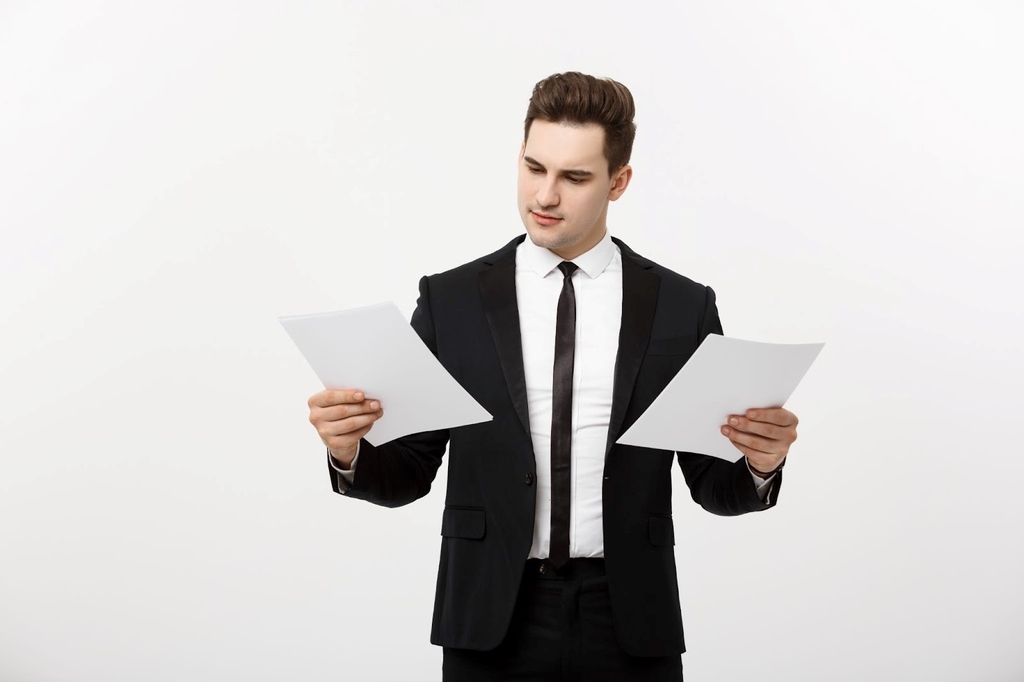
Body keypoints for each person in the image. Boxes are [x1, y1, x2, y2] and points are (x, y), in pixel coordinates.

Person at [307, 72, 798, 681]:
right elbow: (406, 473)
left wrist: (760, 463)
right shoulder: (450, 301)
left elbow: (711, 484)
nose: (545, 194)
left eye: (574, 177)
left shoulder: (681, 307)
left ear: (618, 183)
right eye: (534, 167)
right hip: (489, 617)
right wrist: (349, 450)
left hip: (630, 621)